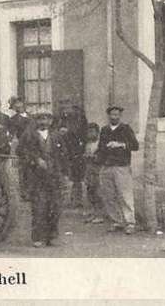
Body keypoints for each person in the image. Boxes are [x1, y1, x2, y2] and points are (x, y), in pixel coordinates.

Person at [18, 111, 69, 248]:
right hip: (37, 177)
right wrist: (35, 160)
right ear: (36, 121)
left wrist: (65, 174)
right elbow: (21, 152)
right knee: (39, 207)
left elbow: (64, 155)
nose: (43, 122)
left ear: (51, 121)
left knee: (55, 207)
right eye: (40, 119)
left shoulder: (56, 136)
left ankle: (52, 237)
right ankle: (38, 237)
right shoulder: (28, 135)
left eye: (46, 119)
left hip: (55, 176)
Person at [96, 106, 140, 234]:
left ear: (120, 116)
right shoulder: (104, 130)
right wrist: (101, 152)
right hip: (107, 166)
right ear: (108, 116)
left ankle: (130, 222)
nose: (114, 117)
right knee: (109, 195)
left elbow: (135, 146)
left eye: (116, 115)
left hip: (121, 166)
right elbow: (100, 147)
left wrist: (120, 144)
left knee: (125, 195)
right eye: (112, 115)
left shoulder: (125, 129)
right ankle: (117, 221)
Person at [55, 99, 88, 208]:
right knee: (62, 174)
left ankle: (76, 199)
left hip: (75, 150)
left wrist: (68, 132)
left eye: (67, 107)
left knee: (77, 176)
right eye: (63, 107)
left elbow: (83, 134)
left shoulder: (80, 118)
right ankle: (62, 199)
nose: (65, 109)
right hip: (62, 151)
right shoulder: (59, 119)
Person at [7, 97, 35, 201]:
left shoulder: (31, 117)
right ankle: (24, 193)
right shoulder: (13, 120)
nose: (18, 106)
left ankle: (33, 192)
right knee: (23, 170)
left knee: (33, 169)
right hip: (22, 147)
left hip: (33, 146)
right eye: (15, 104)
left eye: (19, 103)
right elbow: (12, 135)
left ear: (23, 103)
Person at [82, 123, 107, 224]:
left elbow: (102, 157)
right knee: (90, 191)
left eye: (92, 132)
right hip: (89, 170)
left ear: (97, 132)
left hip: (98, 170)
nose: (90, 134)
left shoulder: (100, 144)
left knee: (98, 192)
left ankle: (100, 214)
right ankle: (94, 212)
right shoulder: (88, 144)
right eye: (88, 132)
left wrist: (93, 157)